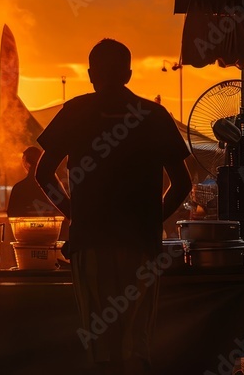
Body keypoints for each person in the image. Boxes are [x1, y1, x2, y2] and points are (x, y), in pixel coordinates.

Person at [35, 39, 191, 375]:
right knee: (135, 343)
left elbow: (43, 172)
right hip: (141, 247)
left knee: (101, 347)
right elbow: (183, 184)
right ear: (129, 74)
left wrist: (75, 214)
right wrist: (152, 219)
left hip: (91, 245)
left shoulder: (75, 111)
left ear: (91, 74)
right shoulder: (153, 115)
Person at [6, 147, 56, 217]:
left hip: (24, 227)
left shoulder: (19, 188)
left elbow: (12, 213)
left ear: (25, 162)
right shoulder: (51, 186)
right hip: (48, 227)